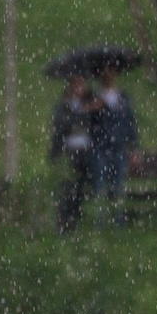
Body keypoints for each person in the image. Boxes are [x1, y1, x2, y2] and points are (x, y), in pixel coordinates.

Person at [89, 64, 141, 227]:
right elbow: (87, 123)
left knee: (118, 186)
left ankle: (119, 220)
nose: (107, 75)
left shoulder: (122, 98)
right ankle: (100, 221)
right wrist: (94, 109)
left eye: (111, 72)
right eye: (104, 72)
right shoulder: (94, 97)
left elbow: (130, 123)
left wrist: (133, 148)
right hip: (100, 147)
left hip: (119, 148)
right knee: (100, 185)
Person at [48, 73, 97, 232]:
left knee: (84, 185)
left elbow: (95, 126)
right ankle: (66, 221)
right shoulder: (64, 106)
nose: (78, 89)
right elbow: (62, 127)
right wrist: (79, 115)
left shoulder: (91, 104)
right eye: (75, 85)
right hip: (70, 151)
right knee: (69, 186)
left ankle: (80, 217)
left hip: (87, 151)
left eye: (81, 85)